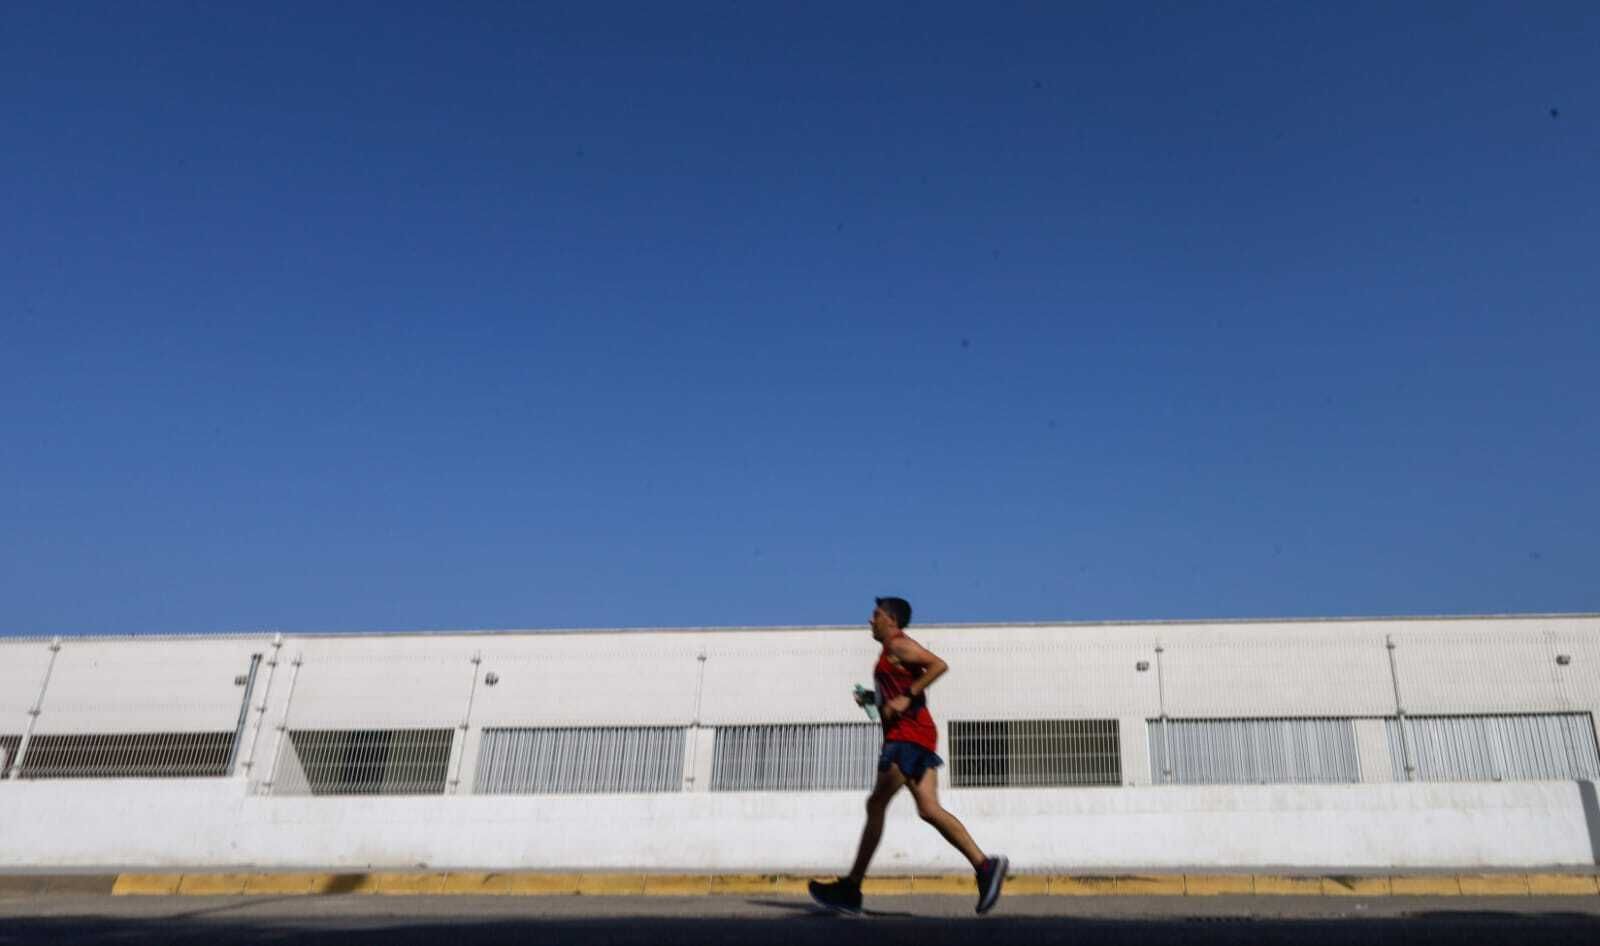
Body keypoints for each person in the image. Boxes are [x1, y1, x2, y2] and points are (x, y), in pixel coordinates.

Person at [809, 596, 1008, 916]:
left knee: (876, 803)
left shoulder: (899, 645)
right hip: (917, 735)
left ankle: (850, 888)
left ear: (890, 619)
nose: (869, 620)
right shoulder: (891, 654)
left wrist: (906, 696)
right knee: (929, 809)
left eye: (875, 615)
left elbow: (938, 664)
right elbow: (899, 691)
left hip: (907, 738)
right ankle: (985, 867)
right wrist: (875, 698)